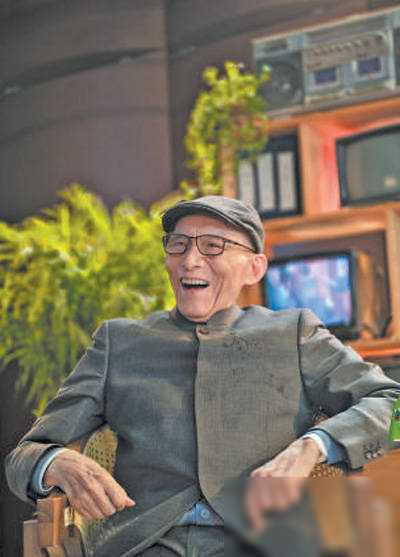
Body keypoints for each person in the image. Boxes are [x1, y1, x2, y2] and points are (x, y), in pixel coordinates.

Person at [6, 196, 400, 557]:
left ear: (255, 267)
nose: (190, 260)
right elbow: (25, 454)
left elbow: (393, 406)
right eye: (178, 244)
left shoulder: (294, 333)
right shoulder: (118, 341)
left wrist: (312, 446)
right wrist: (54, 462)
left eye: (213, 246)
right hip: (147, 544)